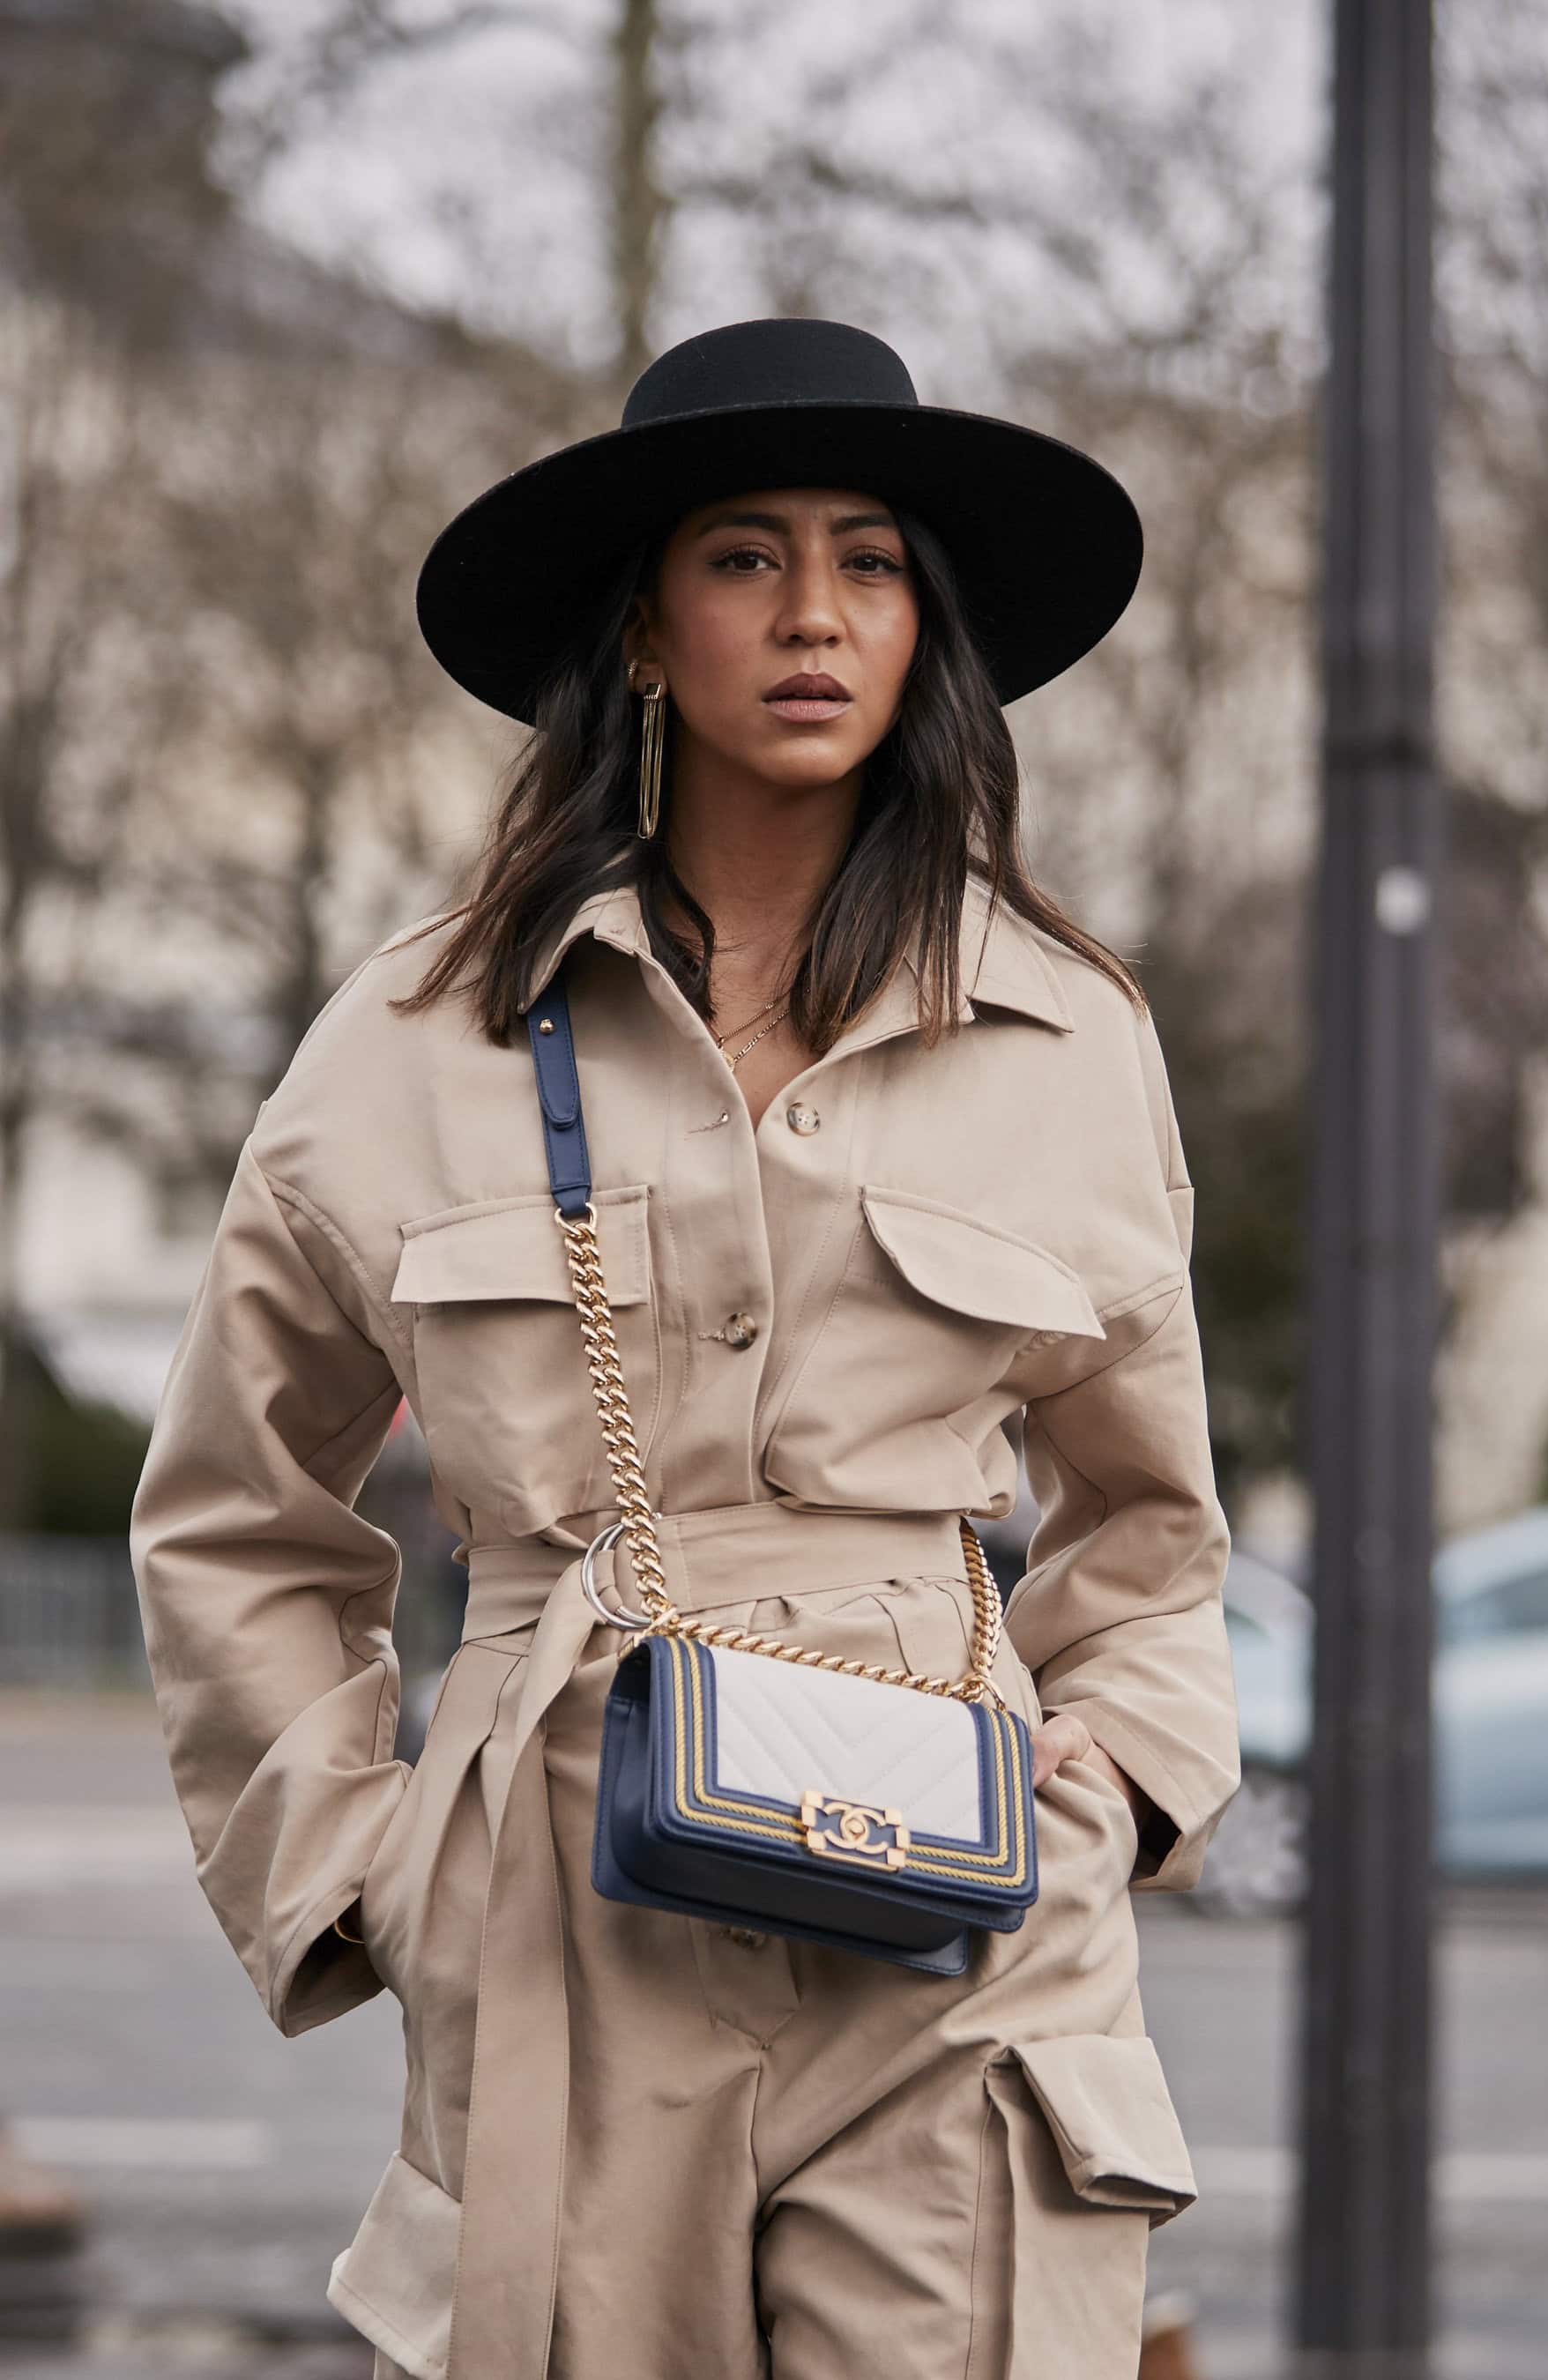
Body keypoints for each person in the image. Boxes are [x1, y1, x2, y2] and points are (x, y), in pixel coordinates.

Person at [130, 317, 1240, 2380]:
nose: (814, 615)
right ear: (643, 625)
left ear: (932, 632)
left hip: (964, 1913)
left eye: (873, 563)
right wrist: (372, 1873)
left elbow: (1151, 1520)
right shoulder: (407, 1043)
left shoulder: (1075, 1039)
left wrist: (1126, 1789)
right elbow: (236, 1513)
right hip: (561, 1916)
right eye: (743, 556)